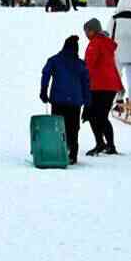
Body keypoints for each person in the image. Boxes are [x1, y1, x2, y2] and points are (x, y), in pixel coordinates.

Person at [39, 35, 91, 165]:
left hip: (58, 100)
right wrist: (87, 101)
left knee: (58, 127)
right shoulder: (81, 64)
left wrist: (43, 92)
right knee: (73, 128)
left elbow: (45, 74)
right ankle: (72, 154)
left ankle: (57, 151)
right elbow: (86, 84)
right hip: (75, 102)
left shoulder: (54, 60)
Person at [83, 18, 122, 156]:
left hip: (99, 85)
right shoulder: (105, 42)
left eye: (87, 30)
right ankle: (109, 145)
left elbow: (88, 65)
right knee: (101, 116)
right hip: (110, 85)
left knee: (94, 115)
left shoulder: (95, 43)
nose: (86, 34)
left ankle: (101, 143)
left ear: (93, 30)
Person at [109, 0, 131, 105]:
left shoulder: (114, 19)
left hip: (118, 52)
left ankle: (118, 97)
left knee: (116, 76)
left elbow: (109, 35)